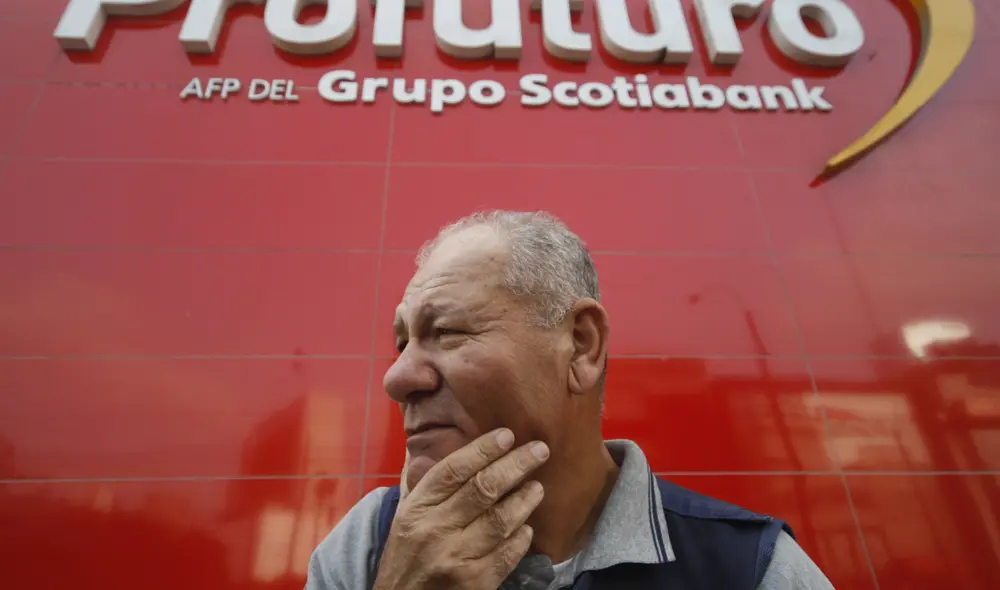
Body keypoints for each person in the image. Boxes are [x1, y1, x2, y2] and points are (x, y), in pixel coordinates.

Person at [305, 211, 835, 590]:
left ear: (581, 346)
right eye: (402, 343)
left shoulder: (750, 568)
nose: (397, 377)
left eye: (446, 331)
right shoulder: (368, 544)